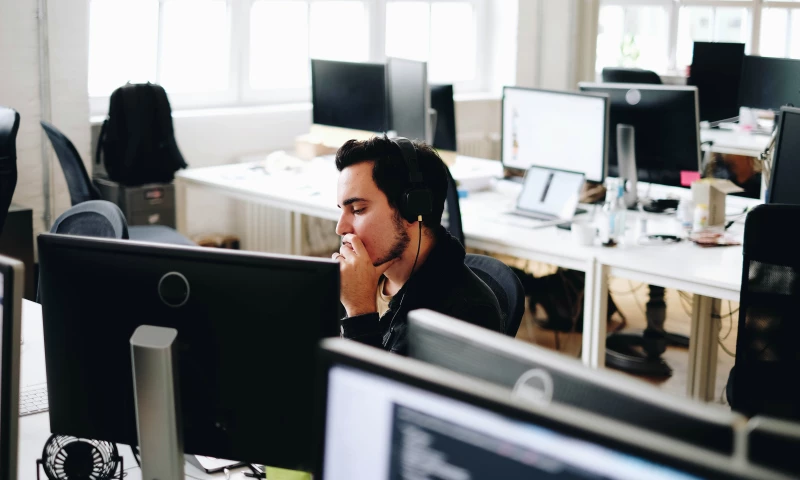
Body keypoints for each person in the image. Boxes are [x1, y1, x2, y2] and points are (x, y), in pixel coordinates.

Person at [332, 135, 504, 354]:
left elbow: (371, 377)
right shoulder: (357, 276)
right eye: (342, 210)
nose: (340, 228)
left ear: (412, 210)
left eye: (358, 210)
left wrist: (359, 312)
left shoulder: (465, 317)